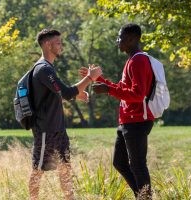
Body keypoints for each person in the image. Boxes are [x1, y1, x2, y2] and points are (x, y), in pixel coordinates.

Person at [80, 23, 154, 199]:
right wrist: (100, 80)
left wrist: (107, 90)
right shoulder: (131, 60)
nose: (117, 41)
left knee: (138, 165)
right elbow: (121, 89)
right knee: (119, 162)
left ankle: (145, 197)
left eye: (120, 37)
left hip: (137, 120)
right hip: (128, 120)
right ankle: (142, 196)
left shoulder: (138, 60)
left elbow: (137, 94)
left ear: (132, 39)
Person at [29, 29, 102, 200]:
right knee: (38, 169)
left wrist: (77, 93)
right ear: (47, 44)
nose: (61, 46)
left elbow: (59, 93)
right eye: (58, 43)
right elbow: (67, 93)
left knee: (65, 167)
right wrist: (90, 78)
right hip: (46, 129)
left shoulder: (49, 68)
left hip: (59, 129)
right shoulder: (43, 69)